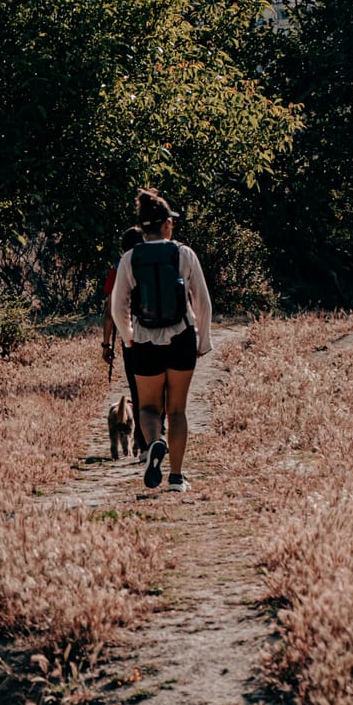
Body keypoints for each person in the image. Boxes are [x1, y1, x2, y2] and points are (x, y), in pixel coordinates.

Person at [109, 188, 213, 491]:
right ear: (166, 223)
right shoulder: (183, 254)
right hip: (181, 339)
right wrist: (203, 341)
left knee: (148, 408)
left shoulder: (130, 258)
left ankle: (155, 442)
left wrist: (129, 337)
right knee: (177, 410)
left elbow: (119, 306)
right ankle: (177, 477)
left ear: (143, 226)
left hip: (144, 342)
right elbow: (202, 301)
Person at [100, 225, 145, 432]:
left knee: (136, 383)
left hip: (131, 335)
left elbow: (110, 312)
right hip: (161, 331)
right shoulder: (156, 264)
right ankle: (157, 422)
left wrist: (106, 345)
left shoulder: (117, 269)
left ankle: (141, 430)